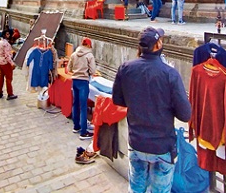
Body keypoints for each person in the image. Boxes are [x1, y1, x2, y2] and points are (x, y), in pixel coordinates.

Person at [112, 27, 192, 192]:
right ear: (158, 45)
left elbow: (118, 100)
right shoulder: (169, 74)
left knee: (136, 187)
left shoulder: (125, 68)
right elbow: (185, 114)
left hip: (136, 141)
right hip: (162, 145)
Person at [68, 37, 96, 140]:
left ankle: (76, 126)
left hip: (74, 81)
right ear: (89, 45)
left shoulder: (74, 54)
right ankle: (83, 132)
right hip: (83, 81)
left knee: (75, 104)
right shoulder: (89, 55)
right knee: (83, 106)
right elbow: (93, 71)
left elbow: (69, 68)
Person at [0, 28, 17, 100]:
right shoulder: (6, 44)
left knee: (1, 78)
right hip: (6, 63)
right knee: (8, 79)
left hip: (0, 62)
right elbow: (7, 55)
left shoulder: (0, 42)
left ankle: (0, 92)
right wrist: (12, 63)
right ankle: (10, 94)